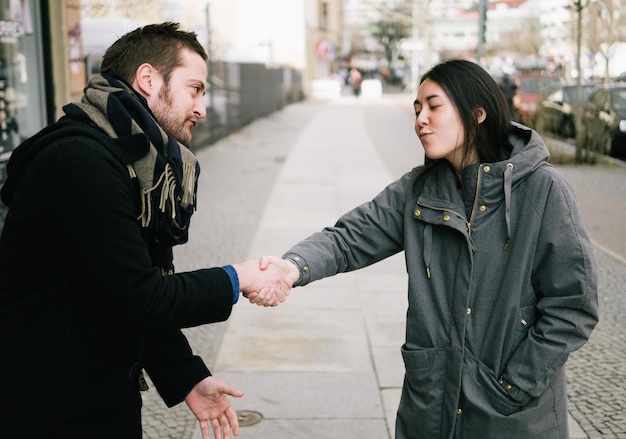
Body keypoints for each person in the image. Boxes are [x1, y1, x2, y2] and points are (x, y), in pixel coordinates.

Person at [257, 59, 599, 438]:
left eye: (434, 106)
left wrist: (516, 382)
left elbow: (573, 305)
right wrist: (291, 267)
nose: (420, 118)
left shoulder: (543, 191)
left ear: (477, 113)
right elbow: (349, 237)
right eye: (417, 108)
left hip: (512, 417)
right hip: (429, 410)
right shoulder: (418, 191)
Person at [0, 22, 293, 439]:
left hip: (97, 395)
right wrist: (238, 277)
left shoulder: (132, 162)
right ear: (148, 79)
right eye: (195, 89)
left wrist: (186, 376)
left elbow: (125, 291)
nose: (202, 108)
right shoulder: (80, 162)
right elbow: (141, 298)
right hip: (52, 408)